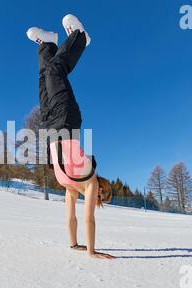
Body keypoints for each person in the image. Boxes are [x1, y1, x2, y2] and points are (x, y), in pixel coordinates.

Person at [27, 14, 115, 260]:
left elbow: (72, 217)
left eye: (101, 198)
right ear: (102, 185)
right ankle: (80, 38)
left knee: (44, 81)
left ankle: (48, 44)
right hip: (67, 120)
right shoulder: (90, 180)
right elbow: (89, 219)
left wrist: (74, 244)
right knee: (56, 71)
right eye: (103, 192)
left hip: (49, 129)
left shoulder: (70, 187)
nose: (99, 195)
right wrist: (92, 251)